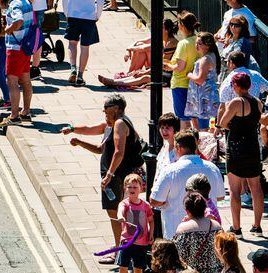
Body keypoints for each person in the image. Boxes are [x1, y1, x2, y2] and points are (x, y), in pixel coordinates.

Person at [61, 94, 146, 248]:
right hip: (117, 177)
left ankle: (120, 249)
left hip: (119, 177)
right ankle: (124, 247)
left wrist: (109, 174)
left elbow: (119, 152)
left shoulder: (120, 124)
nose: (104, 111)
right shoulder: (111, 125)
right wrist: (76, 136)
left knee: (116, 213)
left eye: (106, 108)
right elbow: (97, 142)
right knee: (118, 213)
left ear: (116, 108)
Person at [150, 130, 225, 240]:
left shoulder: (169, 171)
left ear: (178, 147)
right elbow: (220, 196)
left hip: (176, 233)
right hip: (207, 233)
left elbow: (154, 200)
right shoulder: (212, 168)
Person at [214, 71, 262, 236]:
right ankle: (257, 226)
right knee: (256, 189)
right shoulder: (257, 103)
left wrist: (233, 127)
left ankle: (236, 227)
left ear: (236, 85)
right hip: (253, 148)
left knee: (234, 190)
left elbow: (222, 122)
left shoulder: (236, 102)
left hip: (236, 148)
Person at [62, 0, 106, 84]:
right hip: (89, 16)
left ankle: (73, 69)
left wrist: (67, 13)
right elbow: (100, 0)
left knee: (72, 43)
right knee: (85, 46)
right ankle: (81, 75)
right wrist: (97, 15)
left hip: (73, 15)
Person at [172, 192, 222, 273]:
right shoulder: (216, 226)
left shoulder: (183, 228)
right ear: (204, 208)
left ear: (187, 211)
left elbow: (178, 256)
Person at [115, 173, 153, 273]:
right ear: (125, 189)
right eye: (129, 187)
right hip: (127, 241)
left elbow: (151, 220)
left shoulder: (146, 205)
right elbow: (120, 211)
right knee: (123, 266)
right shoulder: (124, 203)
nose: (132, 189)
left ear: (141, 188)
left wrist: (151, 234)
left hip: (142, 242)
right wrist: (120, 217)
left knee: (138, 268)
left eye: (135, 187)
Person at [167, 12, 200, 121]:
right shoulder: (199, 40)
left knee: (183, 119)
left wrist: (168, 66)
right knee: (194, 118)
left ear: (182, 25)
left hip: (180, 83)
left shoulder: (183, 43)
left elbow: (180, 67)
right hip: (195, 85)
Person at [185, 33, 220, 131]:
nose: (196, 46)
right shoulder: (212, 55)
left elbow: (200, 80)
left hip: (204, 97)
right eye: (196, 43)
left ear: (207, 45)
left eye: (199, 43)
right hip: (207, 95)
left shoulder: (205, 59)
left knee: (204, 127)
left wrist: (189, 74)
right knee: (210, 124)